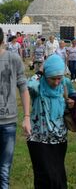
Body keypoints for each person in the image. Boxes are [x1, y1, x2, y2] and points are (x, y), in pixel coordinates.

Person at [27, 54, 76, 189]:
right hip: (38, 139)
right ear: (45, 75)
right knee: (43, 175)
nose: (56, 82)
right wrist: (40, 71)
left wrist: (72, 104)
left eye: (59, 78)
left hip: (59, 138)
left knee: (58, 173)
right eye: (52, 79)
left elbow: (74, 97)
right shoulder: (38, 87)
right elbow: (29, 85)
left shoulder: (65, 84)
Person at [0, 27, 31, 189]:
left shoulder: (13, 59)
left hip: (8, 122)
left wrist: (26, 117)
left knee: (4, 170)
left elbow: (23, 88)